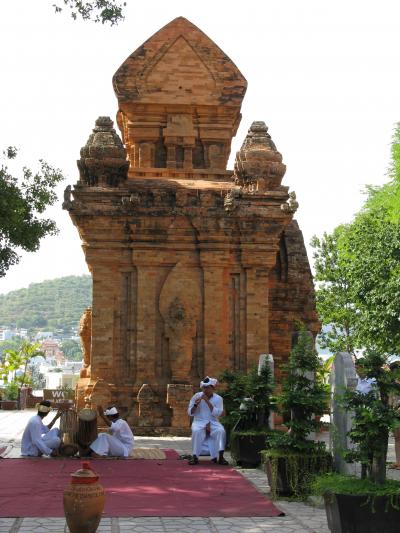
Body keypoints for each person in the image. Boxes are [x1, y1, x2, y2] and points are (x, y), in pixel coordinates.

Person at [187, 376, 228, 465]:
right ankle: (195, 457)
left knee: (221, 431)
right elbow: (190, 412)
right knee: (196, 431)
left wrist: (207, 402)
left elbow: (218, 413)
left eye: (208, 387)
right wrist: (195, 405)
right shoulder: (196, 396)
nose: (205, 390)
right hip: (199, 421)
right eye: (204, 387)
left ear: (213, 388)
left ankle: (221, 457)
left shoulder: (218, 398)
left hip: (213, 422)